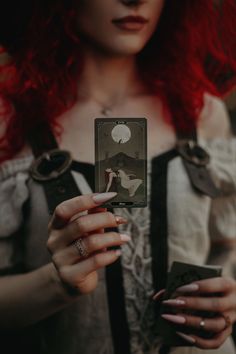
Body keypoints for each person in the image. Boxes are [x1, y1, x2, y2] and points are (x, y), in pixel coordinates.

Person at [0, 1, 236, 354]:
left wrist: (226, 303)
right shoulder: (9, 122)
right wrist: (56, 283)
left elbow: (228, 249)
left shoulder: (202, 112)